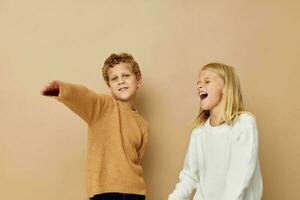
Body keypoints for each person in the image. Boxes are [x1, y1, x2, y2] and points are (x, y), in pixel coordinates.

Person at [41, 53, 150, 200]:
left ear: (138, 81)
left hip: (136, 193)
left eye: (126, 75)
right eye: (114, 78)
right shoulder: (102, 107)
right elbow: (85, 96)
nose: (121, 81)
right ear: (109, 86)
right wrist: (62, 90)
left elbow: (136, 159)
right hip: (104, 193)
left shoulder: (143, 125)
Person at [168, 63, 263, 200]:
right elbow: (190, 176)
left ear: (226, 87)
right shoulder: (198, 134)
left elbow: (238, 179)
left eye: (207, 81)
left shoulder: (244, 124)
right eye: (198, 83)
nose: (199, 86)